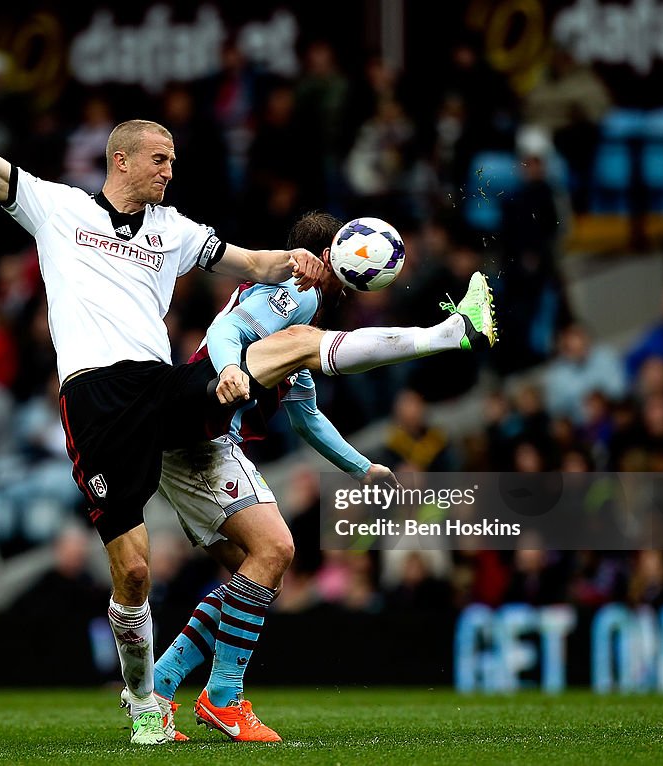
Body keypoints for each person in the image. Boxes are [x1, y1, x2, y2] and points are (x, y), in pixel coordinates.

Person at [0, 21, 495, 744]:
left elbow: (249, 264)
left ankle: (447, 334)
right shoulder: (58, 209)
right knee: (134, 574)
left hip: (165, 388)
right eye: (160, 160)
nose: (170, 171)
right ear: (123, 159)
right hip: (95, 399)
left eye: (172, 161)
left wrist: (292, 263)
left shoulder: (173, 230)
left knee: (292, 352)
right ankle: (146, 697)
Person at [141, 212, 494, 742]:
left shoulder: (291, 328)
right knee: (277, 551)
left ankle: (163, 683)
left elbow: (306, 417)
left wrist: (362, 466)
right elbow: (225, 329)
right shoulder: (297, 291)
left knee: (253, 574)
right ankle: (222, 697)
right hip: (199, 419)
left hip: (190, 437)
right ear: (332, 256)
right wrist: (233, 368)